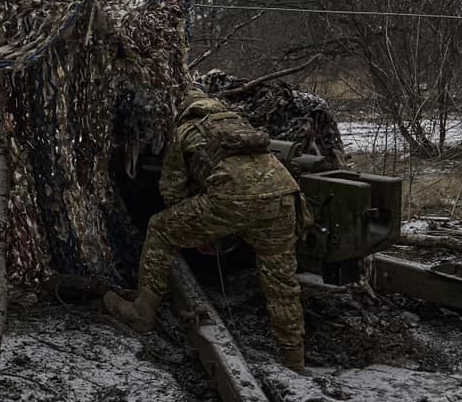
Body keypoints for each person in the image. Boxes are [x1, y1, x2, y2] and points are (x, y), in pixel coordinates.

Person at [103, 88, 309, 372]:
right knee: (282, 285)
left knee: (160, 229)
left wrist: (199, 227)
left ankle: (142, 312)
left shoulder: (186, 129)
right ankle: (294, 360)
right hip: (284, 197)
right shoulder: (239, 123)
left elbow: (171, 189)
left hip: (231, 199)